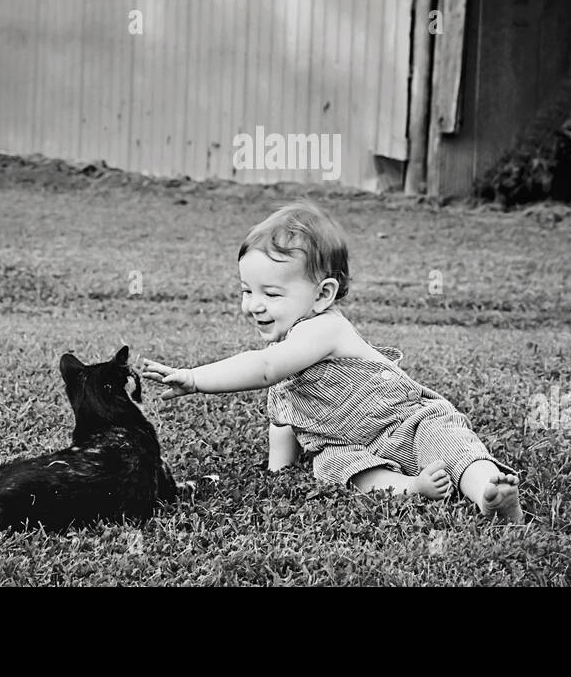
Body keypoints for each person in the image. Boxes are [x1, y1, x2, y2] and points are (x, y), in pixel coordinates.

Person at [141, 201, 522, 521]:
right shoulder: (287, 359)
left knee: (449, 443)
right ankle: (411, 487)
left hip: (409, 423)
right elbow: (283, 420)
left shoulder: (324, 329)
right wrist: (280, 471)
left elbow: (262, 369)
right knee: (329, 465)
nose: (252, 305)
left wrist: (194, 379)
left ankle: (488, 490)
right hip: (354, 446)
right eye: (246, 290)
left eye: (270, 294)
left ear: (323, 294)